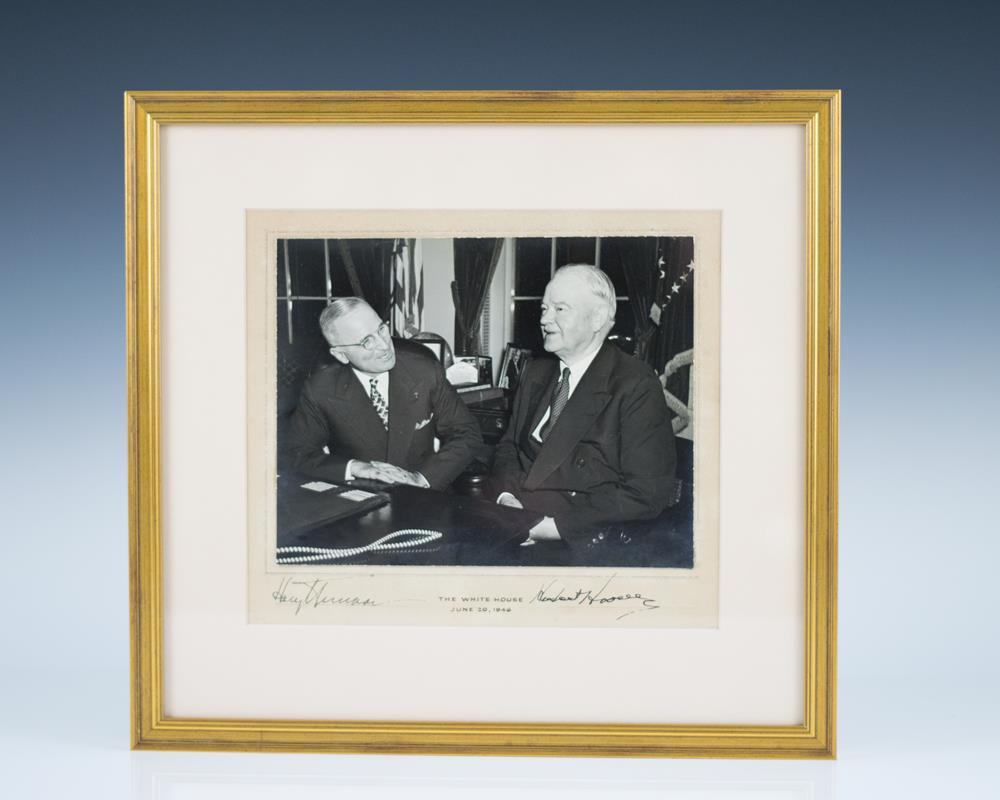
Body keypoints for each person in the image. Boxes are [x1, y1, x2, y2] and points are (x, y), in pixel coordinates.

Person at [491, 264, 677, 545]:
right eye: (544, 309)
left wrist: (552, 528)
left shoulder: (635, 384)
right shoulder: (534, 373)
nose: (545, 319)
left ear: (597, 318)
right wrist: (506, 498)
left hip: (581, 539)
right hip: (515, 520)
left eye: (560, 309)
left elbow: (646, 492)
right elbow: (508, 448)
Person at [285, 298, 481, 490]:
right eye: (367, 342)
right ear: (341, 355)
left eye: (381, 329)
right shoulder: (321, 388)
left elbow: (467, 433)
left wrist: (421, 479)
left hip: (424, 495)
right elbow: (296, 454)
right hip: (362, 497)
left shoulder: (424, 371)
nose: (384, 345)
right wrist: (355, 467)